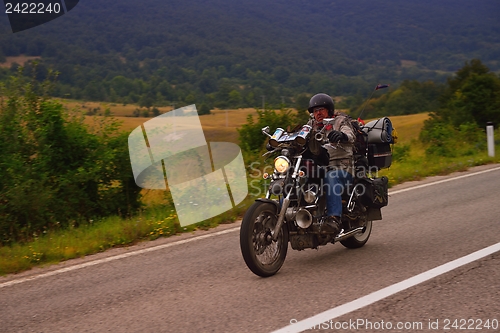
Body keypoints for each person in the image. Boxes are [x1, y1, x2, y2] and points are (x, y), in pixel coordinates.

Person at [307, 93, 356, 235]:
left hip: (343, 168)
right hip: (321, 168)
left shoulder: (340, 121)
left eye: (321, 109)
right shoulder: (311, 125)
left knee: (331, 176)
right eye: (315, 111)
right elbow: (300, 135)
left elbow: (350, 135)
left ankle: (333, 218)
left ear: (329, 109)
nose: (318, 113)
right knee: (297, 176)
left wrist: (342, 135)